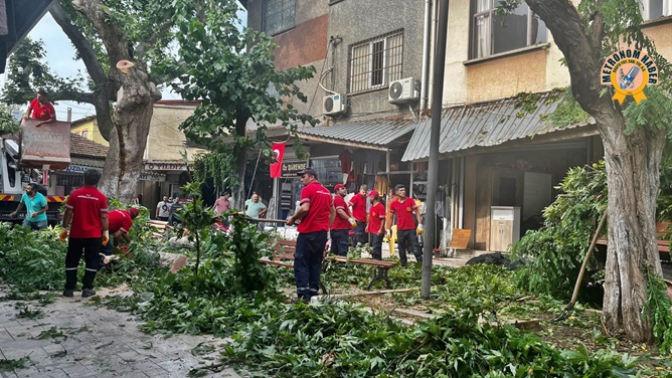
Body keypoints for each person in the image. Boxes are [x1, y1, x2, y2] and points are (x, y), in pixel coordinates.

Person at [286, 167, 335, 303]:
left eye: (304, 177)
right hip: (321, 234)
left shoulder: (307, 189)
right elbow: (333, 212)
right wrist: (326, 226)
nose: (302, 180)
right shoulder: (326, 192)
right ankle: (313, 295)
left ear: (312, 177)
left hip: (308, 232)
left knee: (301, 262)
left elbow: (305, 208)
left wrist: (293, 219)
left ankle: (302, 296)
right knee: (315, 262)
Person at [59, 169, 109, 298]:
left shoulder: (75, 194)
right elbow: (104, 217)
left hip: (76, 234)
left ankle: (69, 289)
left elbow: (69, 213)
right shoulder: (101, 197)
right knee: (91, 260)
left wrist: (64, 228)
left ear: (84, 178)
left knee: (72, 260)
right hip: (93, 236)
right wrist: (106, 232)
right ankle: (87, 288)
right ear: (98, 181)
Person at [386, 184, 423, 268]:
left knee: (415, 248)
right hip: (400, 230)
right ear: (396, 192)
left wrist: (420, 224)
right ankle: (404, 266)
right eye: (401, 190)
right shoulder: (393, 203)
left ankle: (421, 265)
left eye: (404, 190)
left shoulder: (410, 201)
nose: (403, 192)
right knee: (401, 250)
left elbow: (417, 212)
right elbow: (390, 218)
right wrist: (388, 229)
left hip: (410, 229)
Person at [330, 184, 356, 264]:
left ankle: (332, 269)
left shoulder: (337, 199)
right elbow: (340, 211)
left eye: (345, 188)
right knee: (342, 251)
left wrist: (352, 218)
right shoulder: (339, 199)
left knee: (334, 251)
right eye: (342, 188)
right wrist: (350, 220)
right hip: (340, 229)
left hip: (335, 228)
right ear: (337, 191)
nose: (345, 190)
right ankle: (342, 269)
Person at [367, 190, 386, 260]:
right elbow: (371, 218)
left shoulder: (380, 207)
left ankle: (378, 262)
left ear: (372, 197)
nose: (369, 199)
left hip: (377, 231)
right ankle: (374, 262)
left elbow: (383, 219)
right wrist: (367, 226)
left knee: (376, 248)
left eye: (370, 197)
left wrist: (381, 229)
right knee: (372, 248)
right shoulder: (372, 206)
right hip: (372, 230)